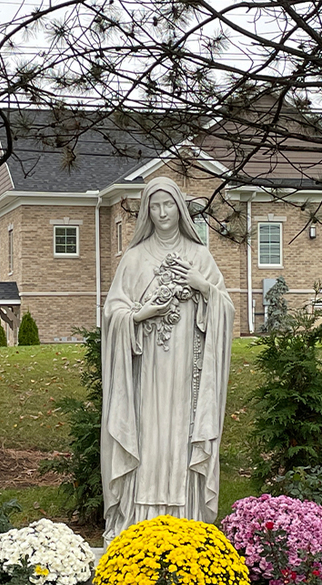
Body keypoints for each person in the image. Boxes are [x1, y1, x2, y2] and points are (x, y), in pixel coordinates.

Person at [100, 177, 235, 542]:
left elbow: (225, 308)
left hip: (187, 373)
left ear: (180, 208)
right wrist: (141, 314)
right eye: (154, 206)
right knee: (149, 438)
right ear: (147, 211)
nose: (162, 213)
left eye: (168, 205)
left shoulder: (199, 256)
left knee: (180, 436)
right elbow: (113, 313)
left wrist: (201, 285)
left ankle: (187, 520)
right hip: (147, 372)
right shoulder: (134, 258)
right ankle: (138, 525)